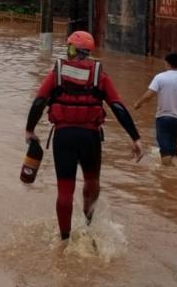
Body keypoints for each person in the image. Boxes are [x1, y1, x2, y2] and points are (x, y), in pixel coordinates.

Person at [24, 31, 142, 241]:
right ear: (89, 51)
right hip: (90, 138)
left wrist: (30, 130)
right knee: (92, 181)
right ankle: (88, 224)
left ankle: (64, 238)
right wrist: (135, 137)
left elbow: (39, 102)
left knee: (65, 190)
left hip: (64, 137)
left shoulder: (57, 73)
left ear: (70, 49)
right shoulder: (99, 75)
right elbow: (118, 106)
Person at [133, 52, 177, 164]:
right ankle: (174, 177)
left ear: (167, 64)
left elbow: (149, 95)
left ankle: (168, 176)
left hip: (163, 119)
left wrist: (138, 104)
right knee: (173, 151)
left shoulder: (160, 77)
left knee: (165, 154)